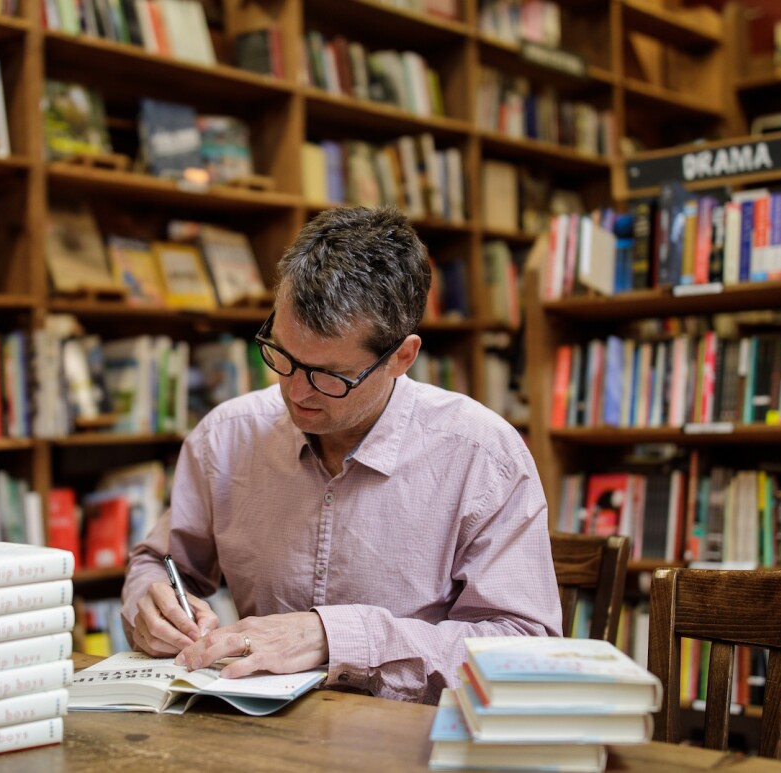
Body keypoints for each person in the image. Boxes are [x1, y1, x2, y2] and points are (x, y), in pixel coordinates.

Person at [120, 206, 560, 704]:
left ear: (402, 356)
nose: (294, 392)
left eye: (330, 375)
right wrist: (151, 605)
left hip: (411, 747)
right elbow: (158, 564)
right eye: (282, 355)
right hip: (254, 739)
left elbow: (529, 650)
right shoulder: (226, 438)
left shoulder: (483, 457)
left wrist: (336, 638)